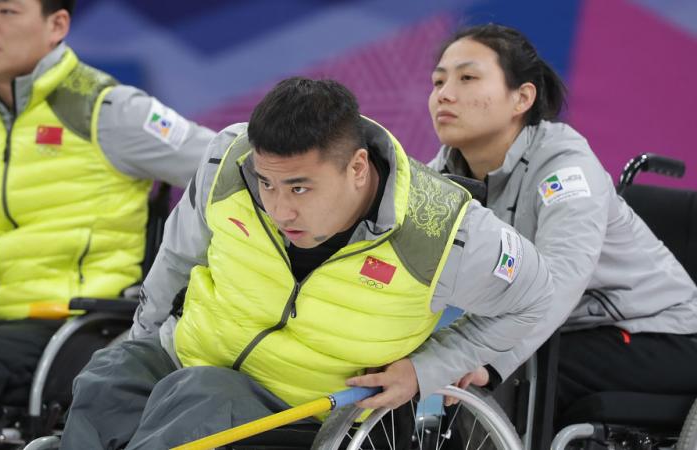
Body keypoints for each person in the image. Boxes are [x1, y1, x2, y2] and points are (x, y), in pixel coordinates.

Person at [59, 76, 554, 449]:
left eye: (299, 187)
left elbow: (536, 298)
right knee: (107, 376)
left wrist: (427, 370)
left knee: (199, 397)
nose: (278, 209)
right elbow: (177, 255)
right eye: (267, 183)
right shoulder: (228, 163)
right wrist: (144, 337)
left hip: (303, 411)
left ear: (357, 167)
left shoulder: (445, 231)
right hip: (187, 356)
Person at [0, 0, 215, 448]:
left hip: (69, 324)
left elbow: (225, 163)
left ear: (57, 25)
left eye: (7, 12)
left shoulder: (109, 110)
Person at [426, 24, 697, 421]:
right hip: (564, 332)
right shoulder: (442, 175)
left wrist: (490, 360)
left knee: (515, 376)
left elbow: (561, 279)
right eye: (437, 81)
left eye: (467, 78)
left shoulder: (566, 169)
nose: (445, 94)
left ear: (521, 98)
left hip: (660, 333)